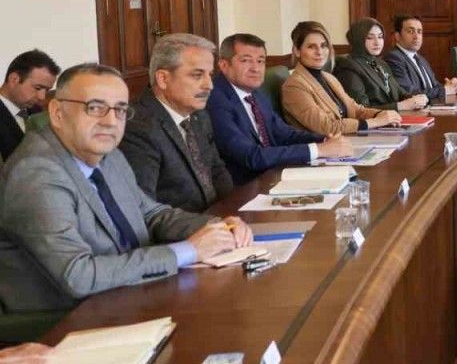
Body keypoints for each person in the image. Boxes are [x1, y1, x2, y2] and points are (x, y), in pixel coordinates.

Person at [0, 63, 251, 313]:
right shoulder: (36, 172)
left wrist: (216, 228)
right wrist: (189, 251)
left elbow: (150, 214)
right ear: (57, 112)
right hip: (66, 318)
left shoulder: (107, 154)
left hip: (127, 292)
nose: (110, 121)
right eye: (94, 107)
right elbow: (78, 276)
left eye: (120, 110)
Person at [207, 33, 353, 185]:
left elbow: (284, 134)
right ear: (224, 65)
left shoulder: (254, 93)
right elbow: (251, 156)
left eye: (260, 61)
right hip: (244, 188)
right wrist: (319, 150)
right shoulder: (215, 100)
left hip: (273, 176)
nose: (256, 68)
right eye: (246, 60)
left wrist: (325, 139)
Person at [118, 34, 233, 213]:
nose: (209, 85)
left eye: (210, 75)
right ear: (163, 79)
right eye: (197, 75)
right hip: (183, 226)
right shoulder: (138, 127)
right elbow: (145, 208)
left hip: (217, 219)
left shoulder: (198, 115)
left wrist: (237, 212)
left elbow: (217, 171)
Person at [282, 21, 401, 136]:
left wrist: (381, 114)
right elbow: (327, 127)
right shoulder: (294, 86)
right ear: (297, 51)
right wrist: (375, 122)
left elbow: (356, 110)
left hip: (349, 139)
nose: (319, 52)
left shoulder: (328, 77)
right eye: (311, 47)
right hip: (326, 145)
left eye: (323, 46)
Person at [334, 18, 428, 111]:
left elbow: (400, 93)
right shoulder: (348, 66)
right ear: (358, 39)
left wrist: (416, 98)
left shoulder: (381, 63)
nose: (377, 42)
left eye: (380, 37)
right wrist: (401, 106)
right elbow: (361, 109)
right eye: (370, 38)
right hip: (373, 120)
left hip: (395, 118)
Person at [384, 15, 457, 100]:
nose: (416, 37)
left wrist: (453, 86)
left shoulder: (420, 58)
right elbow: (409, 93)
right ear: (397, 36)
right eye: (410, 31)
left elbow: (434, 86)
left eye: (419, 32)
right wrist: (445, 90)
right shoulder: (394, 59)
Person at [0, 50, 60, 161]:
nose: (42, 97)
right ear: (14, 79)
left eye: (47, 90)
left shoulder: (37, 112)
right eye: (38, 88)